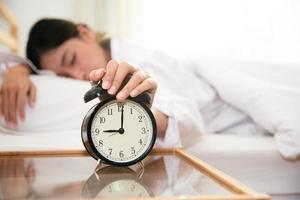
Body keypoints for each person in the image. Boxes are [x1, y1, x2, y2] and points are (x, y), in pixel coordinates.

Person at [0, 18, 266, 148]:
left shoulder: (139, 61)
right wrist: (18, 70)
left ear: (85, 32)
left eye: (72, 59)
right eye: (65, 77)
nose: (78, 75)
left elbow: (187, 119)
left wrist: (145, 113)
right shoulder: (105, 66)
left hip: (240, 121)